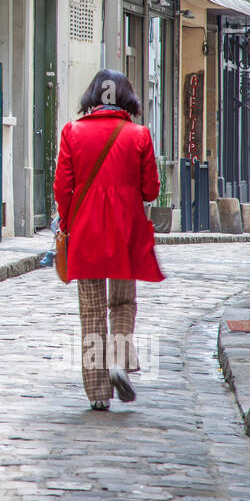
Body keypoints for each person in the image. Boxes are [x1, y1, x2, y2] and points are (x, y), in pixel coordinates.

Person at [53, 69, 164, 411]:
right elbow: (151, 190)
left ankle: (98, 392)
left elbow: (62, 188)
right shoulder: (140, 136)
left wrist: (67, 222)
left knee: (91, 310)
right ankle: (118, 360)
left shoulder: (72, 132)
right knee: (122, 303)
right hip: (126, 231)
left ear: (91, 97)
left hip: (85, 231)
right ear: (127, 99)